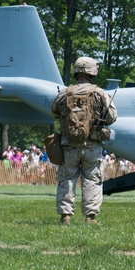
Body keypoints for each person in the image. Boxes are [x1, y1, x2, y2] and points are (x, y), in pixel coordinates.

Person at [51, 56, 117, 225]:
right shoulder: (99, 93)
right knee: (92, 180)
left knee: (67, 179)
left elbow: (54, 111)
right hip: (92, 145)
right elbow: (111, 117)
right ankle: (90, 217)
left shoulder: (65, 92)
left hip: (69, 145)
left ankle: (65, 216)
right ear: (92, 72)